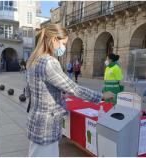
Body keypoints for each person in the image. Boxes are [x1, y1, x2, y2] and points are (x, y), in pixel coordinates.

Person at [25, 24, 114, 157]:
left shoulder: (33, 60)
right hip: (47, 124)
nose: (63, 48)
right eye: (63, 43)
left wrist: (55, 94)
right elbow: (73, 88)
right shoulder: (49, 62)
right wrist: (101, 96)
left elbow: (29, 91)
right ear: (54, 39)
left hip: (36, 120)